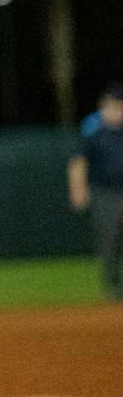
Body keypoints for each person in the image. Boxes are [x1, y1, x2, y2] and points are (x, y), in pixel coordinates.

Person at [69, 82, 123, 299]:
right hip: (105, 192)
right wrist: (77, 190)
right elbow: (78, 161)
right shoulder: (93, 127)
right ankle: (112, 286)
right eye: (113, 105)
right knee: (109, 239)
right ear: (104, 105)